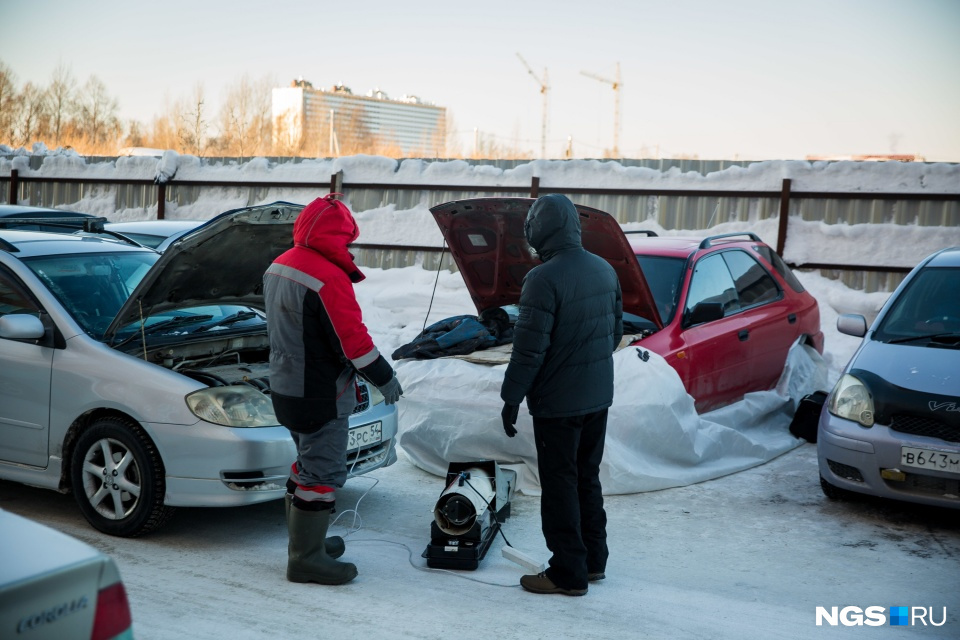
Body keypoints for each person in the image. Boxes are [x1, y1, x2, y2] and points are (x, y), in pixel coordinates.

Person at [263, 193, 402, 585]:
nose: (349, 247)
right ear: (335, 237)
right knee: (321, 473)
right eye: (347, 240)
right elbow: (352, 342)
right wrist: (385, 377)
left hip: (286, 388)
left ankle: (309, 543)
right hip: (319, 393)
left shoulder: (280, 265)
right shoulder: (328, 277)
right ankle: (306, 559)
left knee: (306, 465)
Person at [500, 193, 623, 596]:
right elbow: (615, 334)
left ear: (540, 228)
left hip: (558, 404)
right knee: (586, 478)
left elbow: (528, 350)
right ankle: (592, 561)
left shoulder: (542, 278)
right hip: (597, 398)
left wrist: (511, 397)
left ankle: (567, 572)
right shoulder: (605, 269)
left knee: (558, 484)